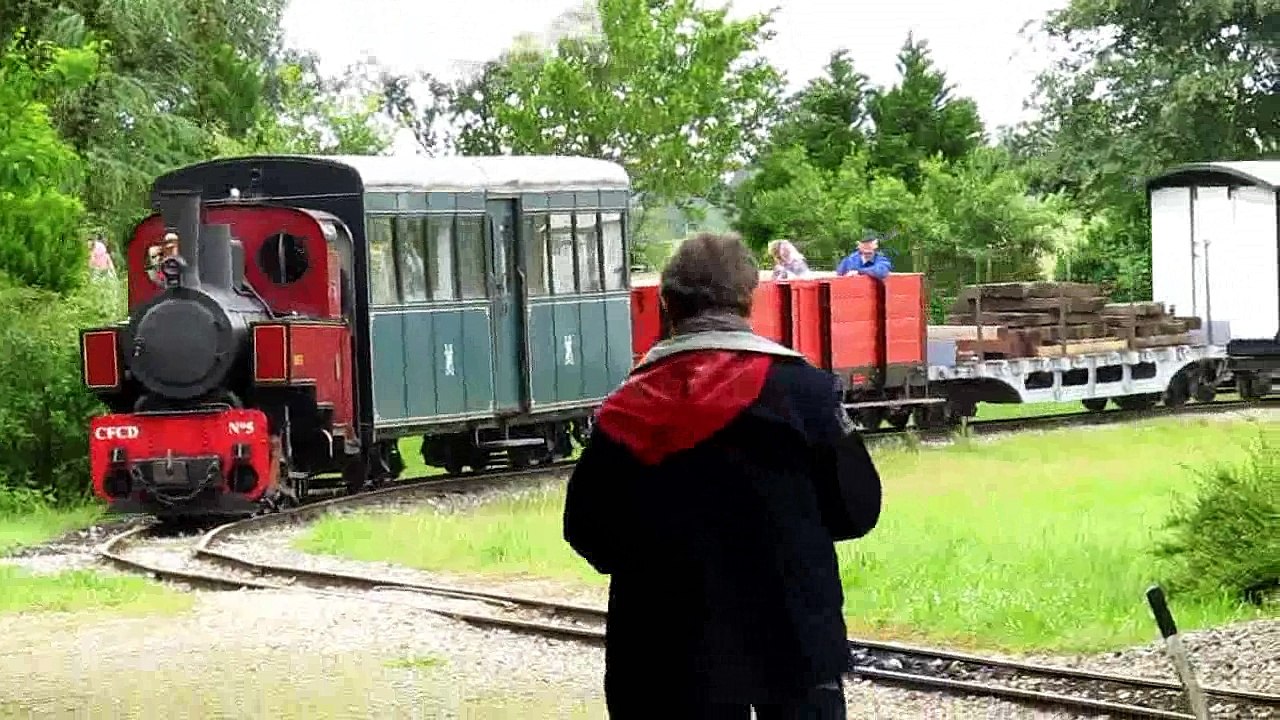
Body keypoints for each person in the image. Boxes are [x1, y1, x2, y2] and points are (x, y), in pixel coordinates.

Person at [563, 232, 882, 719]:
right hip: (794, 644)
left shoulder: (624, 411)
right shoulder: (807, 394)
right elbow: (857, 511)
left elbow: (589, 533)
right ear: (748, 298)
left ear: (667, 303)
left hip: (661, 657)